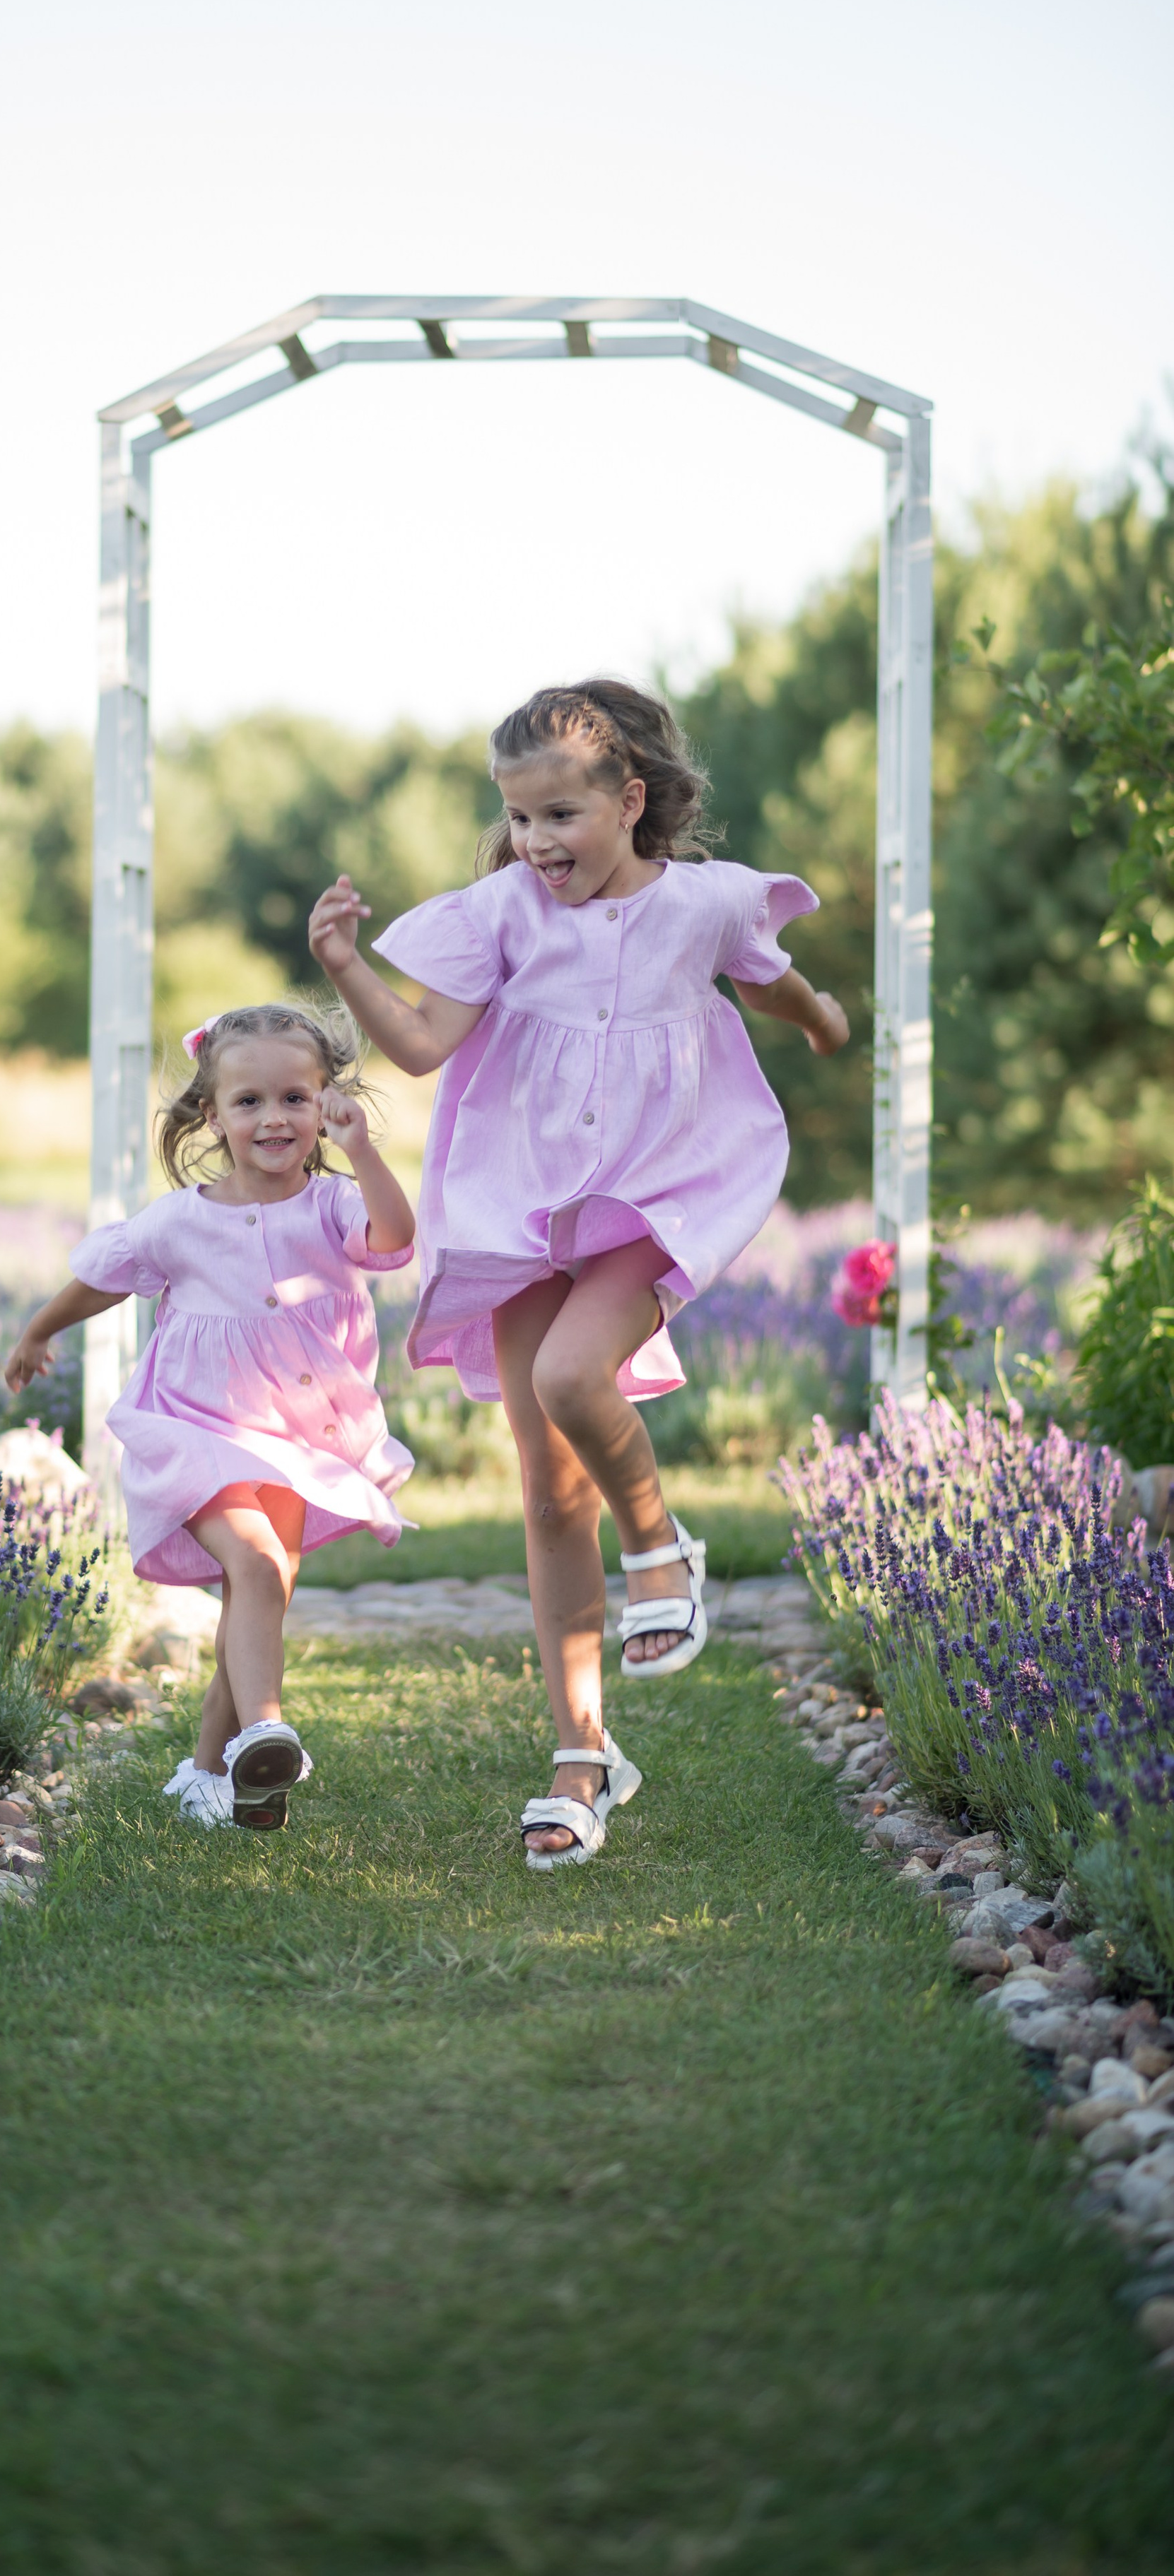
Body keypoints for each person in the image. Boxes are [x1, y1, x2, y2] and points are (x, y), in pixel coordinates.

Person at [307, 680, 848, 1872]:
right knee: (549, 1495)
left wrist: (822, 1023)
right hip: (520, 1201)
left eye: (562, 814)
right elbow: (421, 1045)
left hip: (651, 1193)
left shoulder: (702, 903)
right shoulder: (506, 911)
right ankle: (582, 1756)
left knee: (569, 1374)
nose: (539, 841)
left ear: (630, 798)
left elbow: (768, 978)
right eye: (521, 818)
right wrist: (345, 964)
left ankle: (661, 1546)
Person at [4, 1001, 415, 1831]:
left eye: (295, 1098)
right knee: (256, 1563)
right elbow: (109, 1274)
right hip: (198, 1425)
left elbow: (395, 1235)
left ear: (325, 1103)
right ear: (211, 1113)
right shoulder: (179, 1220)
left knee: (258, 1589)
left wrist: (364, 1150)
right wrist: (41, 1326)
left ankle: (214, 1771)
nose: (274, 1118)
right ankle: (264, 1732)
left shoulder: (332, 1206)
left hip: (302, 1432)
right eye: (249, 1101)